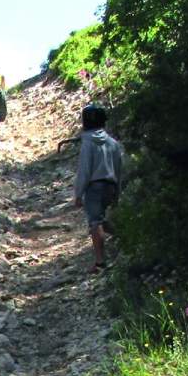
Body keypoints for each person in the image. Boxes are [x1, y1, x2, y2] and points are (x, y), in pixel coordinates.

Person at [74, 102, 125, 270]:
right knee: (103, 219)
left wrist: (78, 193)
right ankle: (129, 239)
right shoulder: (113, 143)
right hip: (110, 186)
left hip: (94, 187)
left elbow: (85, 170)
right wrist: (117, 193)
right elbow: (119, 169)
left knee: (95, 223)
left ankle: (100, 262)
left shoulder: (87, 143)